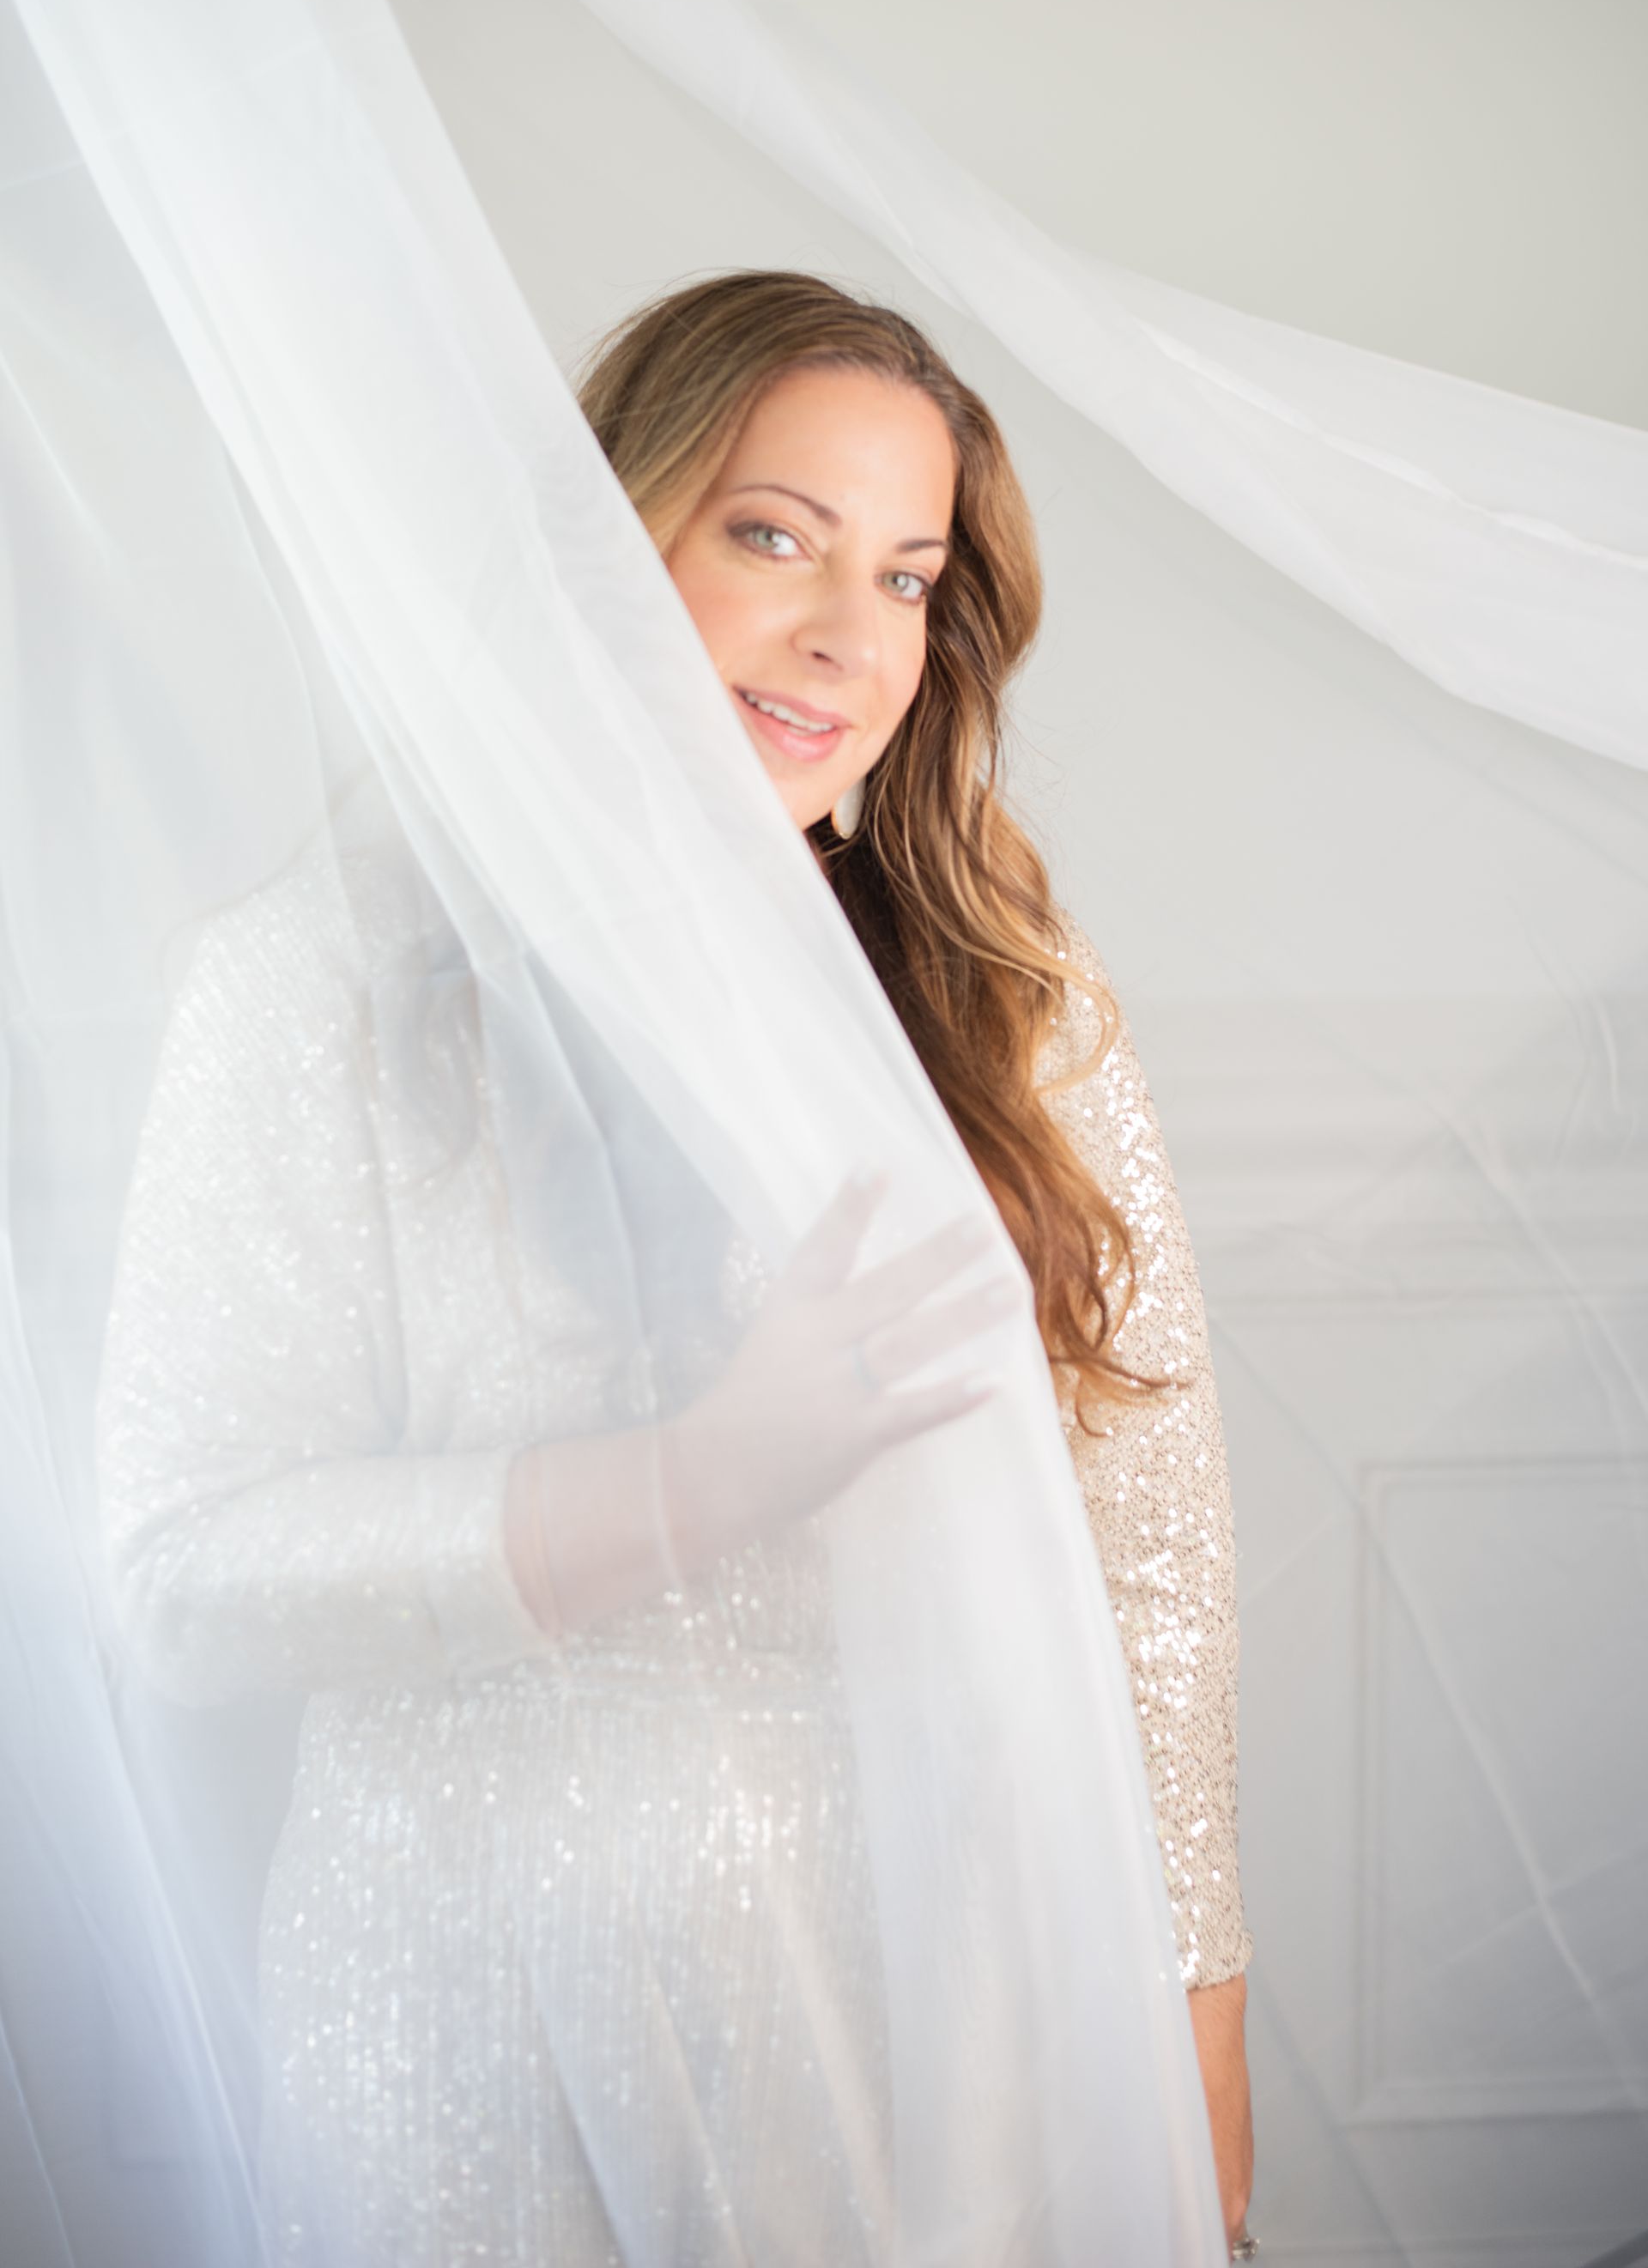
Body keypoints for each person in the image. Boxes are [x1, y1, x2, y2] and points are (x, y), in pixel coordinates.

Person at [94, 268, 1253, 2261]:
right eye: (772, 534)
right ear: (611, 535)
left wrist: (1195, 2077)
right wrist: (694, 1482)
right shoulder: (315, 985)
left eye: (905, 575)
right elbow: (180, 1585)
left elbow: (1157, 1595)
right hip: (459, 2044)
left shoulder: (1011, 1023)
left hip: (929, 2031)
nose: (841, 635)